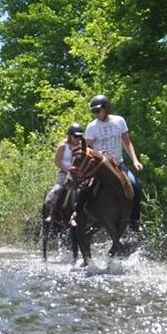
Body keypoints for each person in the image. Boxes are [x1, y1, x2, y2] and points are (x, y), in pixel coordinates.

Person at [69, 94, 143, 231]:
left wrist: (135, 160)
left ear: (106, 108)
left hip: (118, 164)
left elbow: (127, 142)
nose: (96, 114)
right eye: (94, 111)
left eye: (98, 110)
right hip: (99, 167)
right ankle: (76, 213)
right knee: (85, 186)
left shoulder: (119, 121)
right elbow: (88, 148)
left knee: (136, 186)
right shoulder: (92, 127)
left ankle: (134, 220)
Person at [44, 123, 84, 224]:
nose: (78, 139)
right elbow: (57, 160)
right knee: (58, 189)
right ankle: (52, 214)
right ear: (70, 135)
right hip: (65, 172)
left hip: (80, 174)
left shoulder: (82, 147)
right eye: (76, 136)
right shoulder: (63, 146)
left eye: (80, 136)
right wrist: (68, 170)